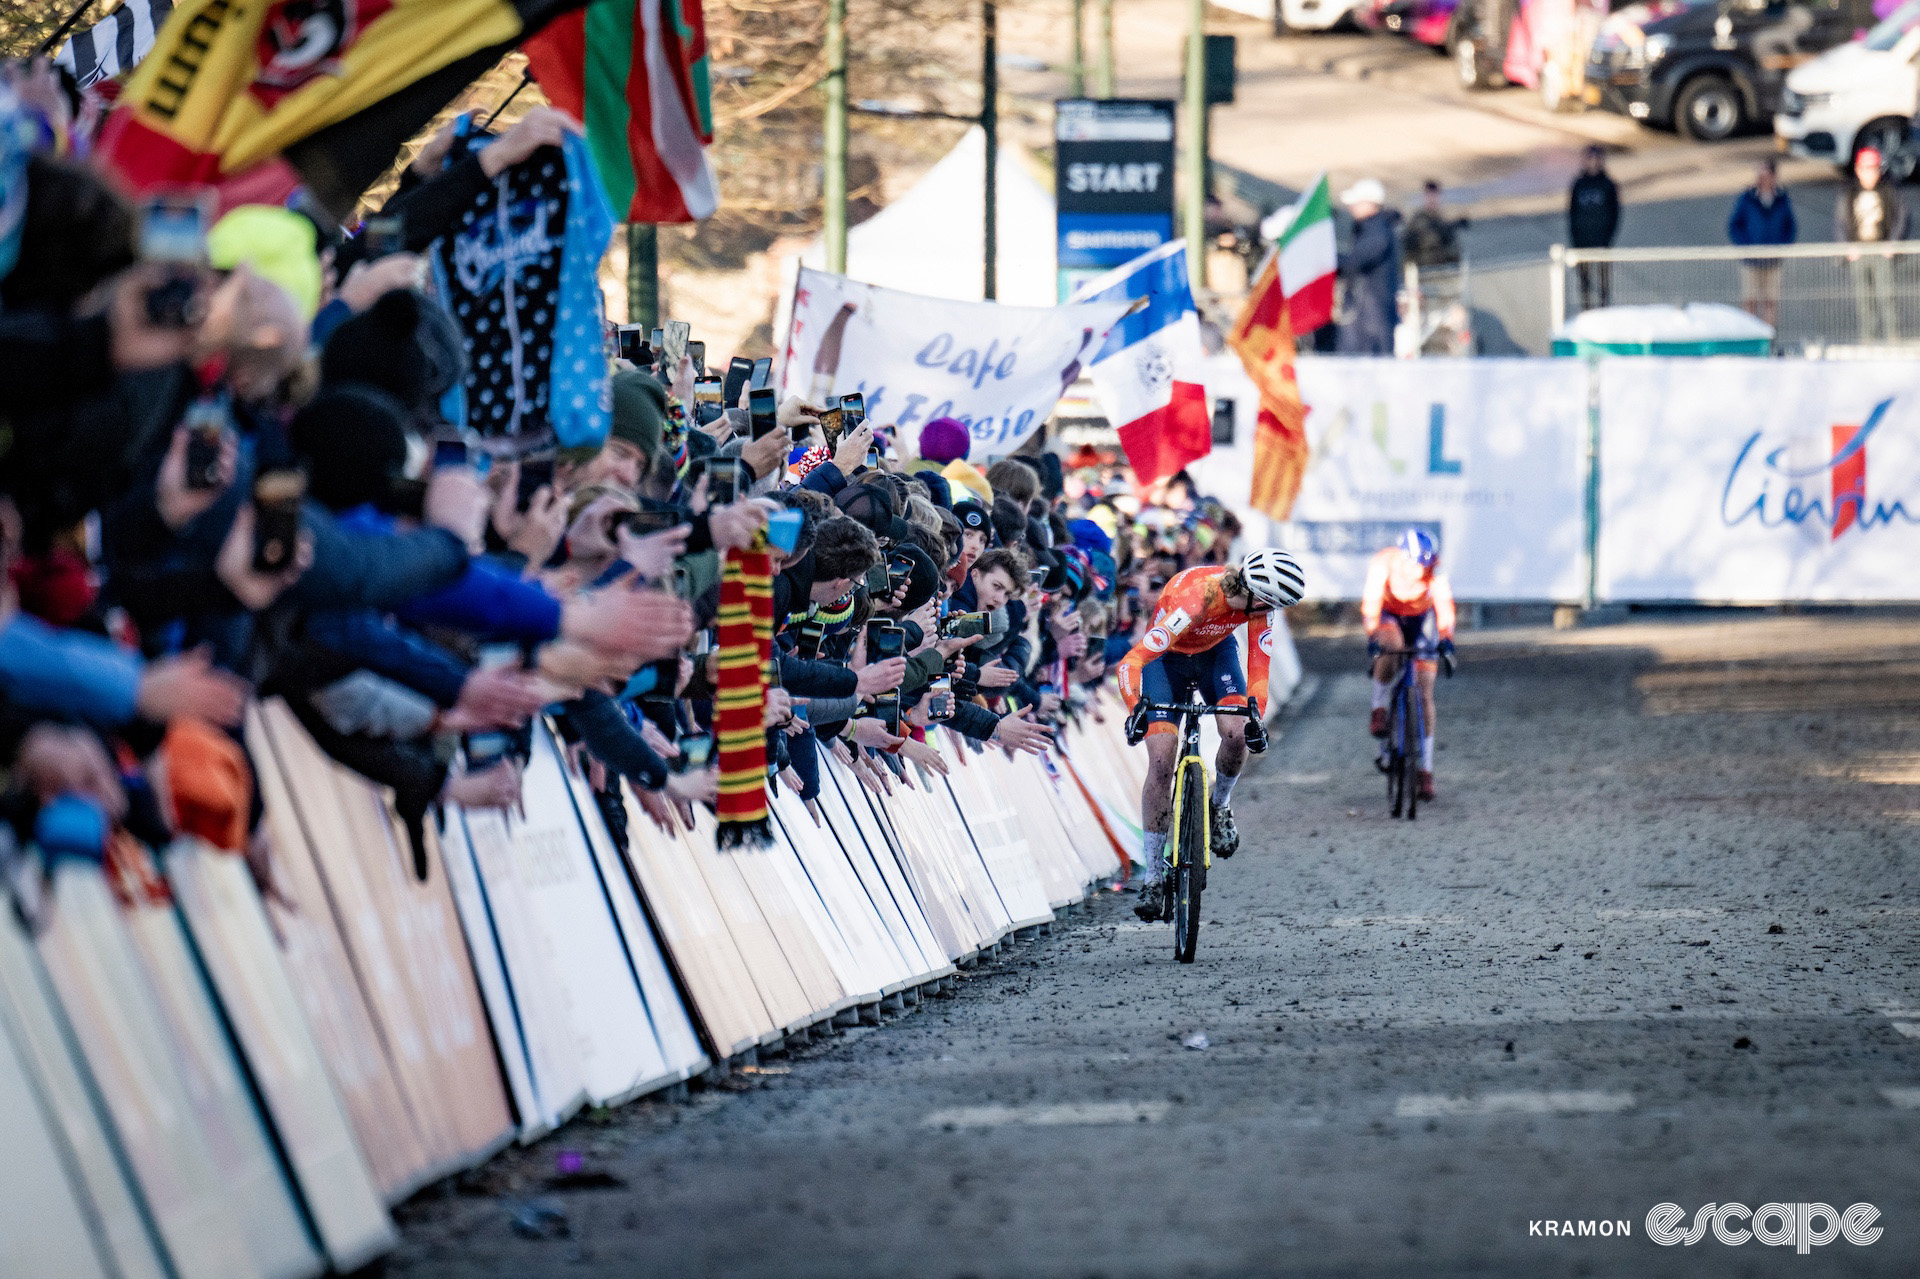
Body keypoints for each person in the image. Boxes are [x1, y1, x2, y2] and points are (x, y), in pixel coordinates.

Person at [1117, 548, 1305, 922]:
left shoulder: (1257, 605)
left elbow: (1258, 670)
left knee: (1236, 732)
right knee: (1161, 758)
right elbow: (1132, 661)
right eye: (1268, 604)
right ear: (1251, 591)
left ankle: (1218, 806)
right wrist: (1135, 706)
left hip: (1215, 655)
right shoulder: (1198, 600)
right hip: (1163, 660)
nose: (1269, 612)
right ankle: (1153, 876)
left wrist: (1256, 718)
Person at [1362, 530, 1455, 803]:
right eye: (1416, 563)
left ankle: (1426, 770)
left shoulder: (1434, 568)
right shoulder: (1384, 563)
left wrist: (1447, 638)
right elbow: (1371, 602)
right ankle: (1379, 707)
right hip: (1390, 616)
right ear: (1403, 557)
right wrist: (1372, 635)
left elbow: (1444, 604)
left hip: (1421, 620)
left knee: (1425, 693)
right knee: (1391, 645)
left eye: (1425, 564)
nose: (1420, 570)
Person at [1837, 146, 1908, 344]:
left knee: (1887, 297)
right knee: (1864, 301)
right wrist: (1847, 247)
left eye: (1874, 168)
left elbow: (1901, 217)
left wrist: (1893, 243)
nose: (1870, 172)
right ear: (1858, 170)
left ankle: (1894, 339)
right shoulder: (1849, 192)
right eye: (1866, 168)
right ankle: (1868, 340)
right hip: (1859, 253)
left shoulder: (1888, 189)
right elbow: (1841, 221)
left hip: (1882, 251)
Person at [1727, 159, 1796, 333]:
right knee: (1750, 300)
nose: (1763, 178)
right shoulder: (1748, 198)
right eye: (1760, 174)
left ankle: (1768, 336)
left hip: (1773, 261)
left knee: (1770, 301)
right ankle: (1750, 335)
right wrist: (1745, 247)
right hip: (1751, 261)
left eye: (1766, 174)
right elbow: (1735, 225)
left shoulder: (1781, 199)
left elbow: (1790, 226)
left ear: (1773, 176)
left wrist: (1781, 248)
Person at [1336, 178, 1402, 356]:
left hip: (1371, 319)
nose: (1352, 208)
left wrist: (1329, 261)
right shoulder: (1371, 229)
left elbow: (1357, 260)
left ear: (1370, 204)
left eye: (1356, 203)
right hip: (1366, 315)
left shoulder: (1377, 231)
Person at [1568, 145, 1620, 311]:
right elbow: (1572, 213)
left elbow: (1615, 213)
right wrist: (1575, 239)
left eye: (1597, 159)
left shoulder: (1608, 185)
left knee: (1604, 281)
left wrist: (1608, 235)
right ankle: (1587, 311)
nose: (1593, 163)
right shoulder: (1578, 185)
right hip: (1582, 241)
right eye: (1590, 159)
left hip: (1602, 241)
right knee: (1584, 281)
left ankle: (1604, 310)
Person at [1402, 180, 1466, 270]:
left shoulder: (1443, 219)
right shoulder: (1418, 219)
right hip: (1424, 270)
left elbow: (1453, 247)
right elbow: (1409, 247)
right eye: (1429, 196)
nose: (1432, 199)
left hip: (1443, 269)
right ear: (1424, 197)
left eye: (1435, 196)